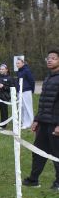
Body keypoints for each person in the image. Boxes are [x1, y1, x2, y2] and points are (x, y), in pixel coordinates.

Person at [24, 49, 59, 190]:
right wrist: (37, 120)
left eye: (54, 58)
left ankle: (58, 183)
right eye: (48, 58)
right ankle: (33, 180)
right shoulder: (48, 78)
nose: (49, 60)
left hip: (55, 124)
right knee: (38, 151)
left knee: (57, 154)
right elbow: (43, 101)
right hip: (44, 122)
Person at [16, 57, 35, 129]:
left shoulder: (27, 70)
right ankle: (23, 122)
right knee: (21, 107)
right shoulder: (18, 71)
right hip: (19, 92)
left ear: (23, 63)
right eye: (16, 63)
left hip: (26, 91)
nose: (17, 64)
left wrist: (31, 90)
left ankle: (29, 123)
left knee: (27, 107)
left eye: (19, 63)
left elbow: (32, 81)